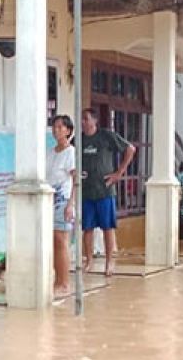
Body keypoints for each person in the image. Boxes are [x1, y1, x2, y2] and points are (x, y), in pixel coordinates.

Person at [79, 108, 136, 277]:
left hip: (105, 191)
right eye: (81, 119)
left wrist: (119, 172)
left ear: (94, 121)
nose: (83, 122)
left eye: (86, 119)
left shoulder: (106, 136)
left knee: (107, 227)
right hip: (86, 191)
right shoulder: (79, 140)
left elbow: (130, 149)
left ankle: (109, 262)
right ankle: (88, 261)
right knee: (87, 228)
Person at [46, 115, 77, 296]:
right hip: (50, 200)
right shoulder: (50, 153)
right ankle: (57, 279)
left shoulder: (70, 152)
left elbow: (75, 180)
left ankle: (64, 282)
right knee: (53, 241)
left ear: (68, 131)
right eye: (54, 127)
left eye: (60, 127)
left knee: (61, 240)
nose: (56, 130)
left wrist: (70, 204)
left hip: (63, 200)